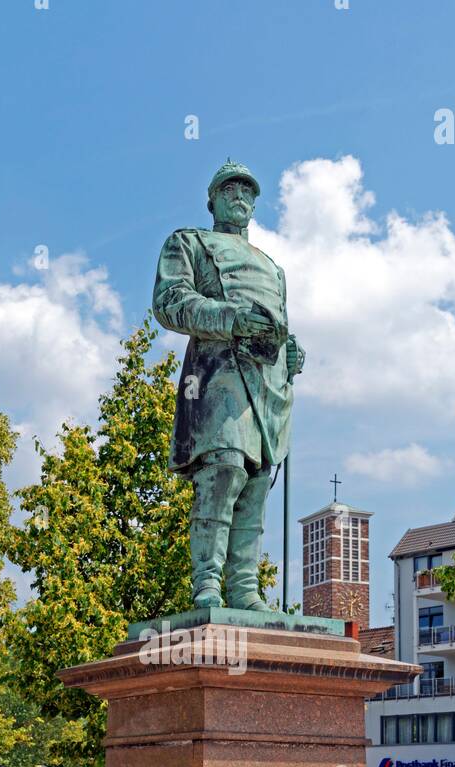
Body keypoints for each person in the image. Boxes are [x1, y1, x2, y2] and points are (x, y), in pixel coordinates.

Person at [153, 160, 304, 609]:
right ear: (212, 199)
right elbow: (169, 302)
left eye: (247, 191)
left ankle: (244, 588)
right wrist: (230, 318)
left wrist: (291, 353)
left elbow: (281, 327)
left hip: (268, 383)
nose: (240, 196)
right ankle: (208, 583)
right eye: (230, 189)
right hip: (218, 373)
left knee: (257, 480)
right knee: (225, 470)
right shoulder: (189, 242)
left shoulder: (274, 268)